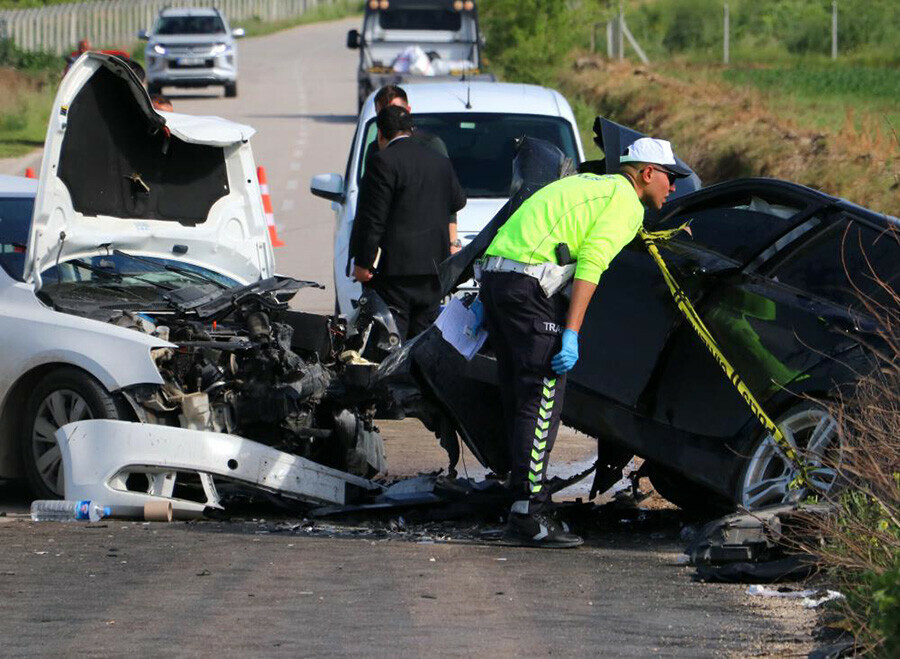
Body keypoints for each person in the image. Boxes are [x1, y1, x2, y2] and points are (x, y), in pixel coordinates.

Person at [473, 137, 690, 548]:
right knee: (541, 399)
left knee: (519, 398)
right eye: (670, 177)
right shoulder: (625, 203)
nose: (674, 186)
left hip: (499, 280)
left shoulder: (590, 185)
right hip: (530, 288)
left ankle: (519, 503)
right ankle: (530, 515)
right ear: (647, 173)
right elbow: (592, 262)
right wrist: (571, 332)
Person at [350, 105, 466, 340]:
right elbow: (458, 201)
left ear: (380, 134)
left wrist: (363, 263)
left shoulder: (382, 162)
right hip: (434, 269)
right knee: (423, 341)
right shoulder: (439, 161)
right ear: (410, 130)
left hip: (395, 273)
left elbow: (373, 219)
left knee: (392, 340)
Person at [371, 85, 460, 254]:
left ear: (408, 111)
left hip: (427, 243)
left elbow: (448, 197)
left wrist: (452, 242)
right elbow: (371, 207)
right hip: (389, 248)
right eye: (383, 113)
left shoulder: (430, 145)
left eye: (396, 111)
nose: (390, 118)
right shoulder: (375, 150)